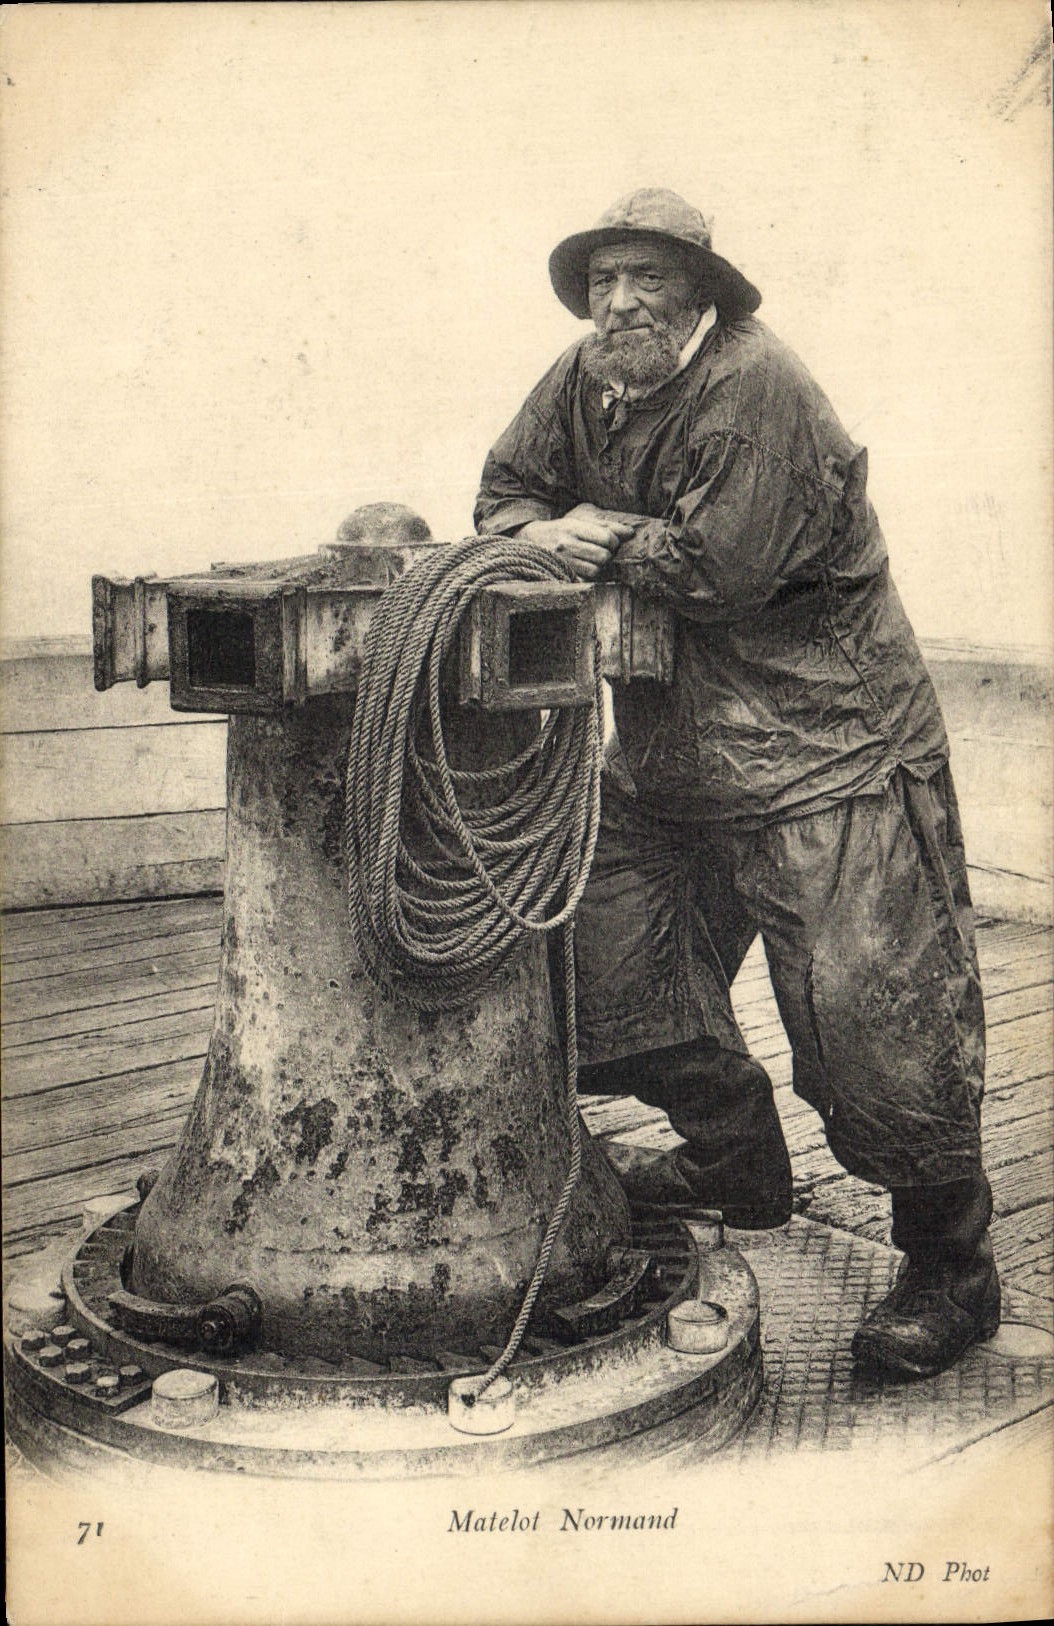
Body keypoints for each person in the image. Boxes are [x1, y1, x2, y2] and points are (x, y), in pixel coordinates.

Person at [474, 188, 999, 1381]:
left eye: (645, 279)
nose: (618, 303)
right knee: (591, 961)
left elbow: (721, 569)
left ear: (701, 291)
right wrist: (537, 526)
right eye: (601, 281)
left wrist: (592, 529)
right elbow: (503, 489)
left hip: (826, 751)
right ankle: (734, 1157)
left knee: (876, 1027)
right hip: (669, 759)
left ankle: (951, 1268)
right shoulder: (583, 377)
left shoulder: (757, 385)